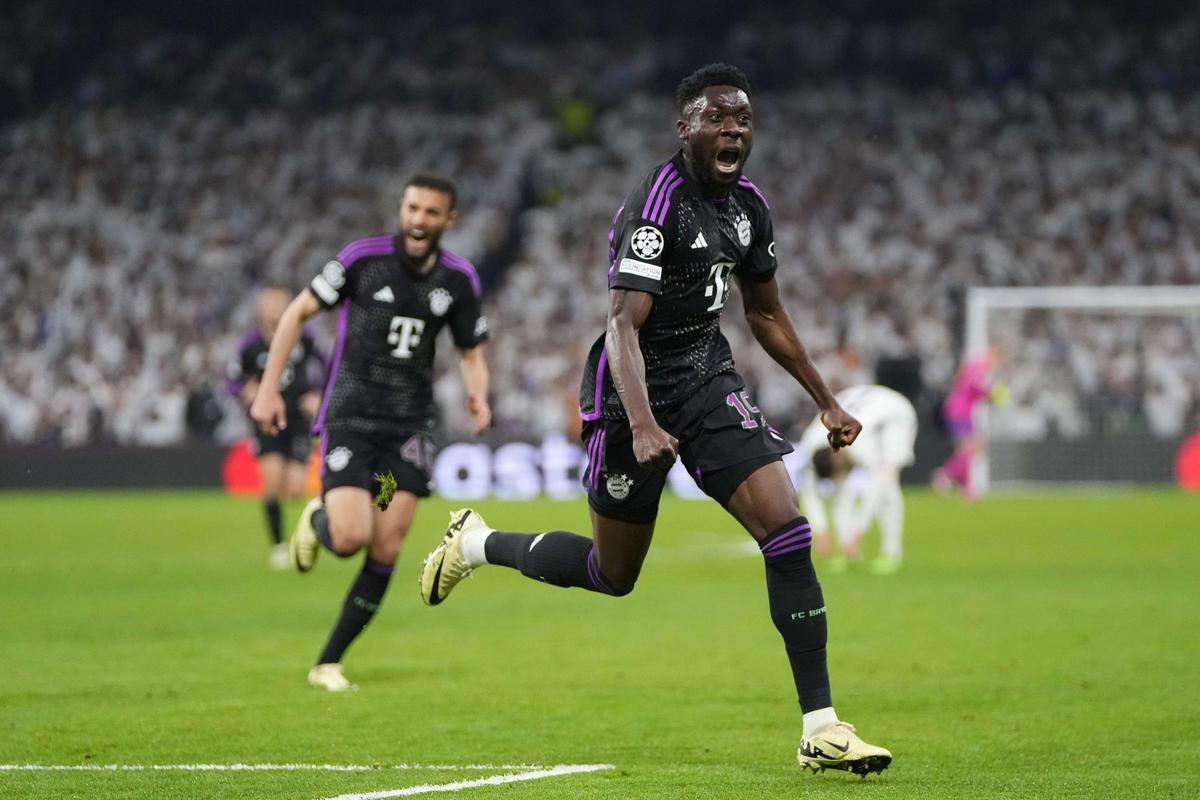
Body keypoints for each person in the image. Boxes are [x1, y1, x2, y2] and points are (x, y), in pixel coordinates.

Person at [419, 64, 891, 776]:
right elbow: (621, 325)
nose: (734, 130)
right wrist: (640, 420)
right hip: (627, 394)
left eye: (744, 120)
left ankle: (821, 727)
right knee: (613, 574)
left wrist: (825, 398)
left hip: (706, 379)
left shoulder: (748, 208)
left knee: (788, 531)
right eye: (718, 119)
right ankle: (476, 544)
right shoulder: (657, 203)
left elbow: (763, 312)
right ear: (686, 128)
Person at [251, 175, 491, 692]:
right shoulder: (362, 260)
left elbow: (471, 350)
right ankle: (318, 525)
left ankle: (329, 662)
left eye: (431, 212)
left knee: (386, 545)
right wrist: (269, 388)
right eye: (412, 208)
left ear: (449, 221)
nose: (419, 220)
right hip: (352, 420)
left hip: (409, 431)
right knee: (351, 538)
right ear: (401, 209)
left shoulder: (457, 280)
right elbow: (298, 312)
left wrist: (479, 393)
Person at [227, 287, 324, 569]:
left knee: (295, 488)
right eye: (268, 303)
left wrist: (318, 394)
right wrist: (246, 390)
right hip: (267, 419)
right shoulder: (250, 345)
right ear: (259, 309)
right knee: (271, 482)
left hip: (297, 419)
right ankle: (280, 546)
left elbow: (329, 365)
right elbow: (232, 379)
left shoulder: (305, 337)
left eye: (279, 303)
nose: (274, 309)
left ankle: (306, 533)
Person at [797, 384, 918, 575]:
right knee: (841, 492)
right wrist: (820, 531)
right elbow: (809, 491)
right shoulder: (811, 443)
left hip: (895, 414)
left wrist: (858, 533)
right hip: (860, 402)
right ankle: (849, 552)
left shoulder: (859, 442)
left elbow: (877, 488)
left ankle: (891, 552)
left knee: (888, 486)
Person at [932, 349, 999, 499]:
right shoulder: (977, 368)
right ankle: (944, 476)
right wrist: (991, 393)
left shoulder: (974, 368)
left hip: (960, 411)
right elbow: (976, 387)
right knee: (969, 449)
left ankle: (966, 489)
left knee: (970, 450)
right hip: (959, 412)